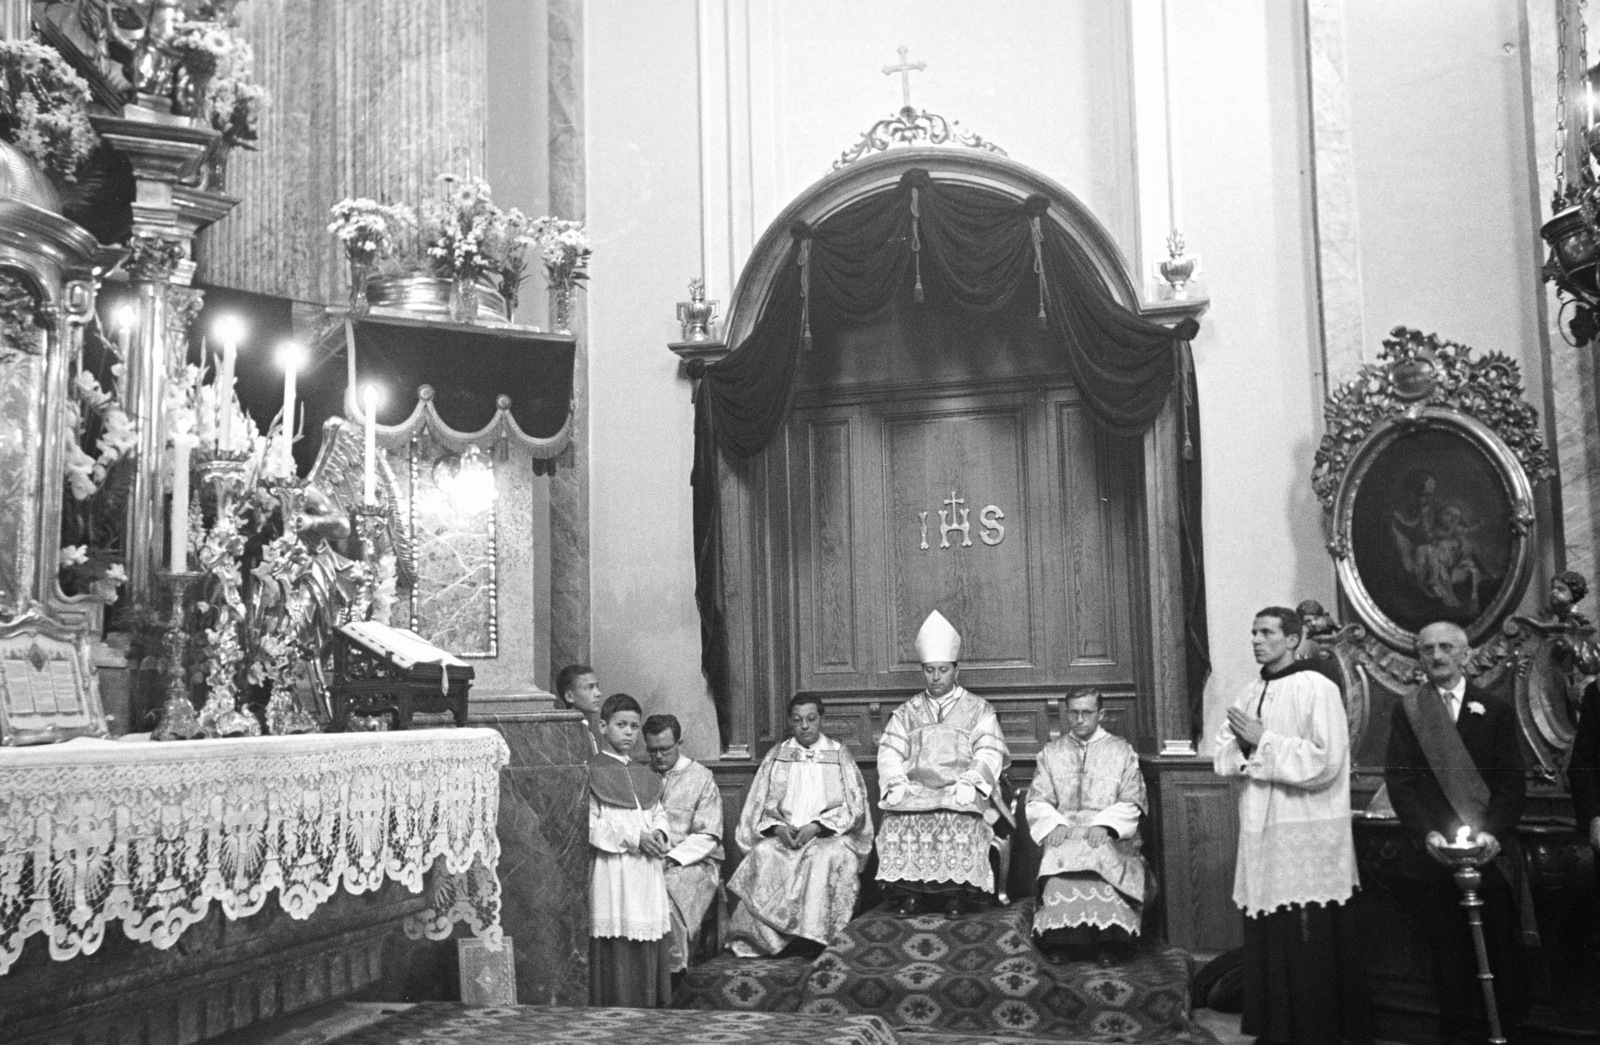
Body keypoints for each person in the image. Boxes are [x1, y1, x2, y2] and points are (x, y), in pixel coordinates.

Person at [1214, 607, 1370, 1045]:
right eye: (1253, 632)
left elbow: (1326, 760)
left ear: (1294, 639)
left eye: (1267, 632)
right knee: (1269, 934)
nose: (1257, 640)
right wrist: (1249, 749)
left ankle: (1315, 1032)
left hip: (1306, 828)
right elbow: (1223, 754)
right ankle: (1278, 1030)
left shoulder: (1317, 688)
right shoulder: (1250, 692)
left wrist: (1262, 741)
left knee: (1307, 937)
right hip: (1262, 827)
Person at [1386, 621, 1528, 1045]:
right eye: (1427, 648)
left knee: (1499, 953)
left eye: (1446, 647)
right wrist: (1426, 834)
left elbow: (1510, 785)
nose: (1436, 655)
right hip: (1433, 859)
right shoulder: (1409, 710)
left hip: (1490, 855)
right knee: (1448, 961)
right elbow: (1401, 782)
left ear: (1465, 655)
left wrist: (1492, 835)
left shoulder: (1496, 709)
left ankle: (1503, 1034)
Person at [725, 695, 873, 958]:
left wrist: (818, 826)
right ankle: (769, 940)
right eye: (797, 720)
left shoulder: (838, 754)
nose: (804, 726)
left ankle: (815, 941)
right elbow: (759, 804)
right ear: (790, 722)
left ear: (821, 719)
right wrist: (779, 829)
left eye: (811, 719)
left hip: (827, 835)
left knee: (831, 856)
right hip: (786, 834)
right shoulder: (778, 755)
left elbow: (855, 807)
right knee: (764, 854)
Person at [1028, 688, 1147, 964]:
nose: (1080, 719)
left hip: (1107, 832)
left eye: (1087, 713)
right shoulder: (1051, 753)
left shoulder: (1122, 751)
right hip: (1065, 829)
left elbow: (1134, 799)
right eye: (1074, 712)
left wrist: (1106, 825)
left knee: (1101, 855)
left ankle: (1110, 943)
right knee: (1060, 856)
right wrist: (1053, 824)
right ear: (1066, 712)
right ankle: (1062, 942)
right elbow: (1037, 798)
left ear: (1101, 714)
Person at [588, 693, 671, 1007]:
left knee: (647, 935)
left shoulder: (644, 773)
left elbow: (657, 812)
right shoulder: (593, 770)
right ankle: (617, 1007)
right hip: (614, 869)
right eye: (621, 725)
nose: (629, 732)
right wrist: (635, 837)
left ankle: (649, 1008)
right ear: (603, 726)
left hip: (647, 869)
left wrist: (660, 833)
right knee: (617, 937)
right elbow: (591, 826)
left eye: (634, 726)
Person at [644, 713, 724, 975]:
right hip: (647, 855)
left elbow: (708, 835)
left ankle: (673, 971)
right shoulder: (641, 775)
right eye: (652, 750)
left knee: (666, 892)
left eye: (665, 749)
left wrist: (671, 859)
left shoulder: (701, 778)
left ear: (680, 743)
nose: (658, 757)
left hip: (693, 861)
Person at [557, 663, 604, 753]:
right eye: (589, 688)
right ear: (570, 697)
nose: (598, 693)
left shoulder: (583, 726)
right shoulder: (570, 733)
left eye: (597, 686)